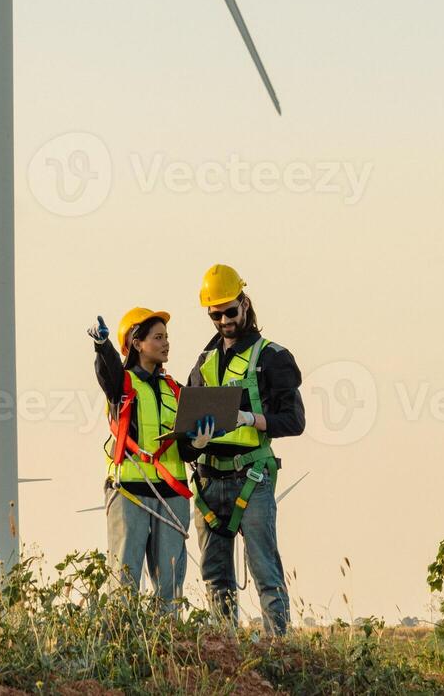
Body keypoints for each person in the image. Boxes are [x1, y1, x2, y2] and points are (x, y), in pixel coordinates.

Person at [180, 264, 305, 634]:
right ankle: (226, 650)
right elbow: (187, 430)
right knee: (215, 576)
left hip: (250, 477)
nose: (223, 320)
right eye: (215, 314)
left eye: (229, 311)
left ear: (245, 304)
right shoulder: (204, 362)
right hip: (207, 481)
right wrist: (192, 441)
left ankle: (279, 651)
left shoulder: (272, 357)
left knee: (265, 569)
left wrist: (252, 420)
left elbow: (294, 421)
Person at [89, 307, 206, 604]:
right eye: (157, 337)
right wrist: (102, 346)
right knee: (124, 580)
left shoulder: (175, 390)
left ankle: (165, 645)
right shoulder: (122, 385)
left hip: (172, 494)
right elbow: (109, 369)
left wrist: (199, 444)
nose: (166, 343)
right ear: (137, 343)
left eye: (167, 337)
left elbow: (184, 447)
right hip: (129, 491)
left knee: (170, 585)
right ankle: (121, 646)